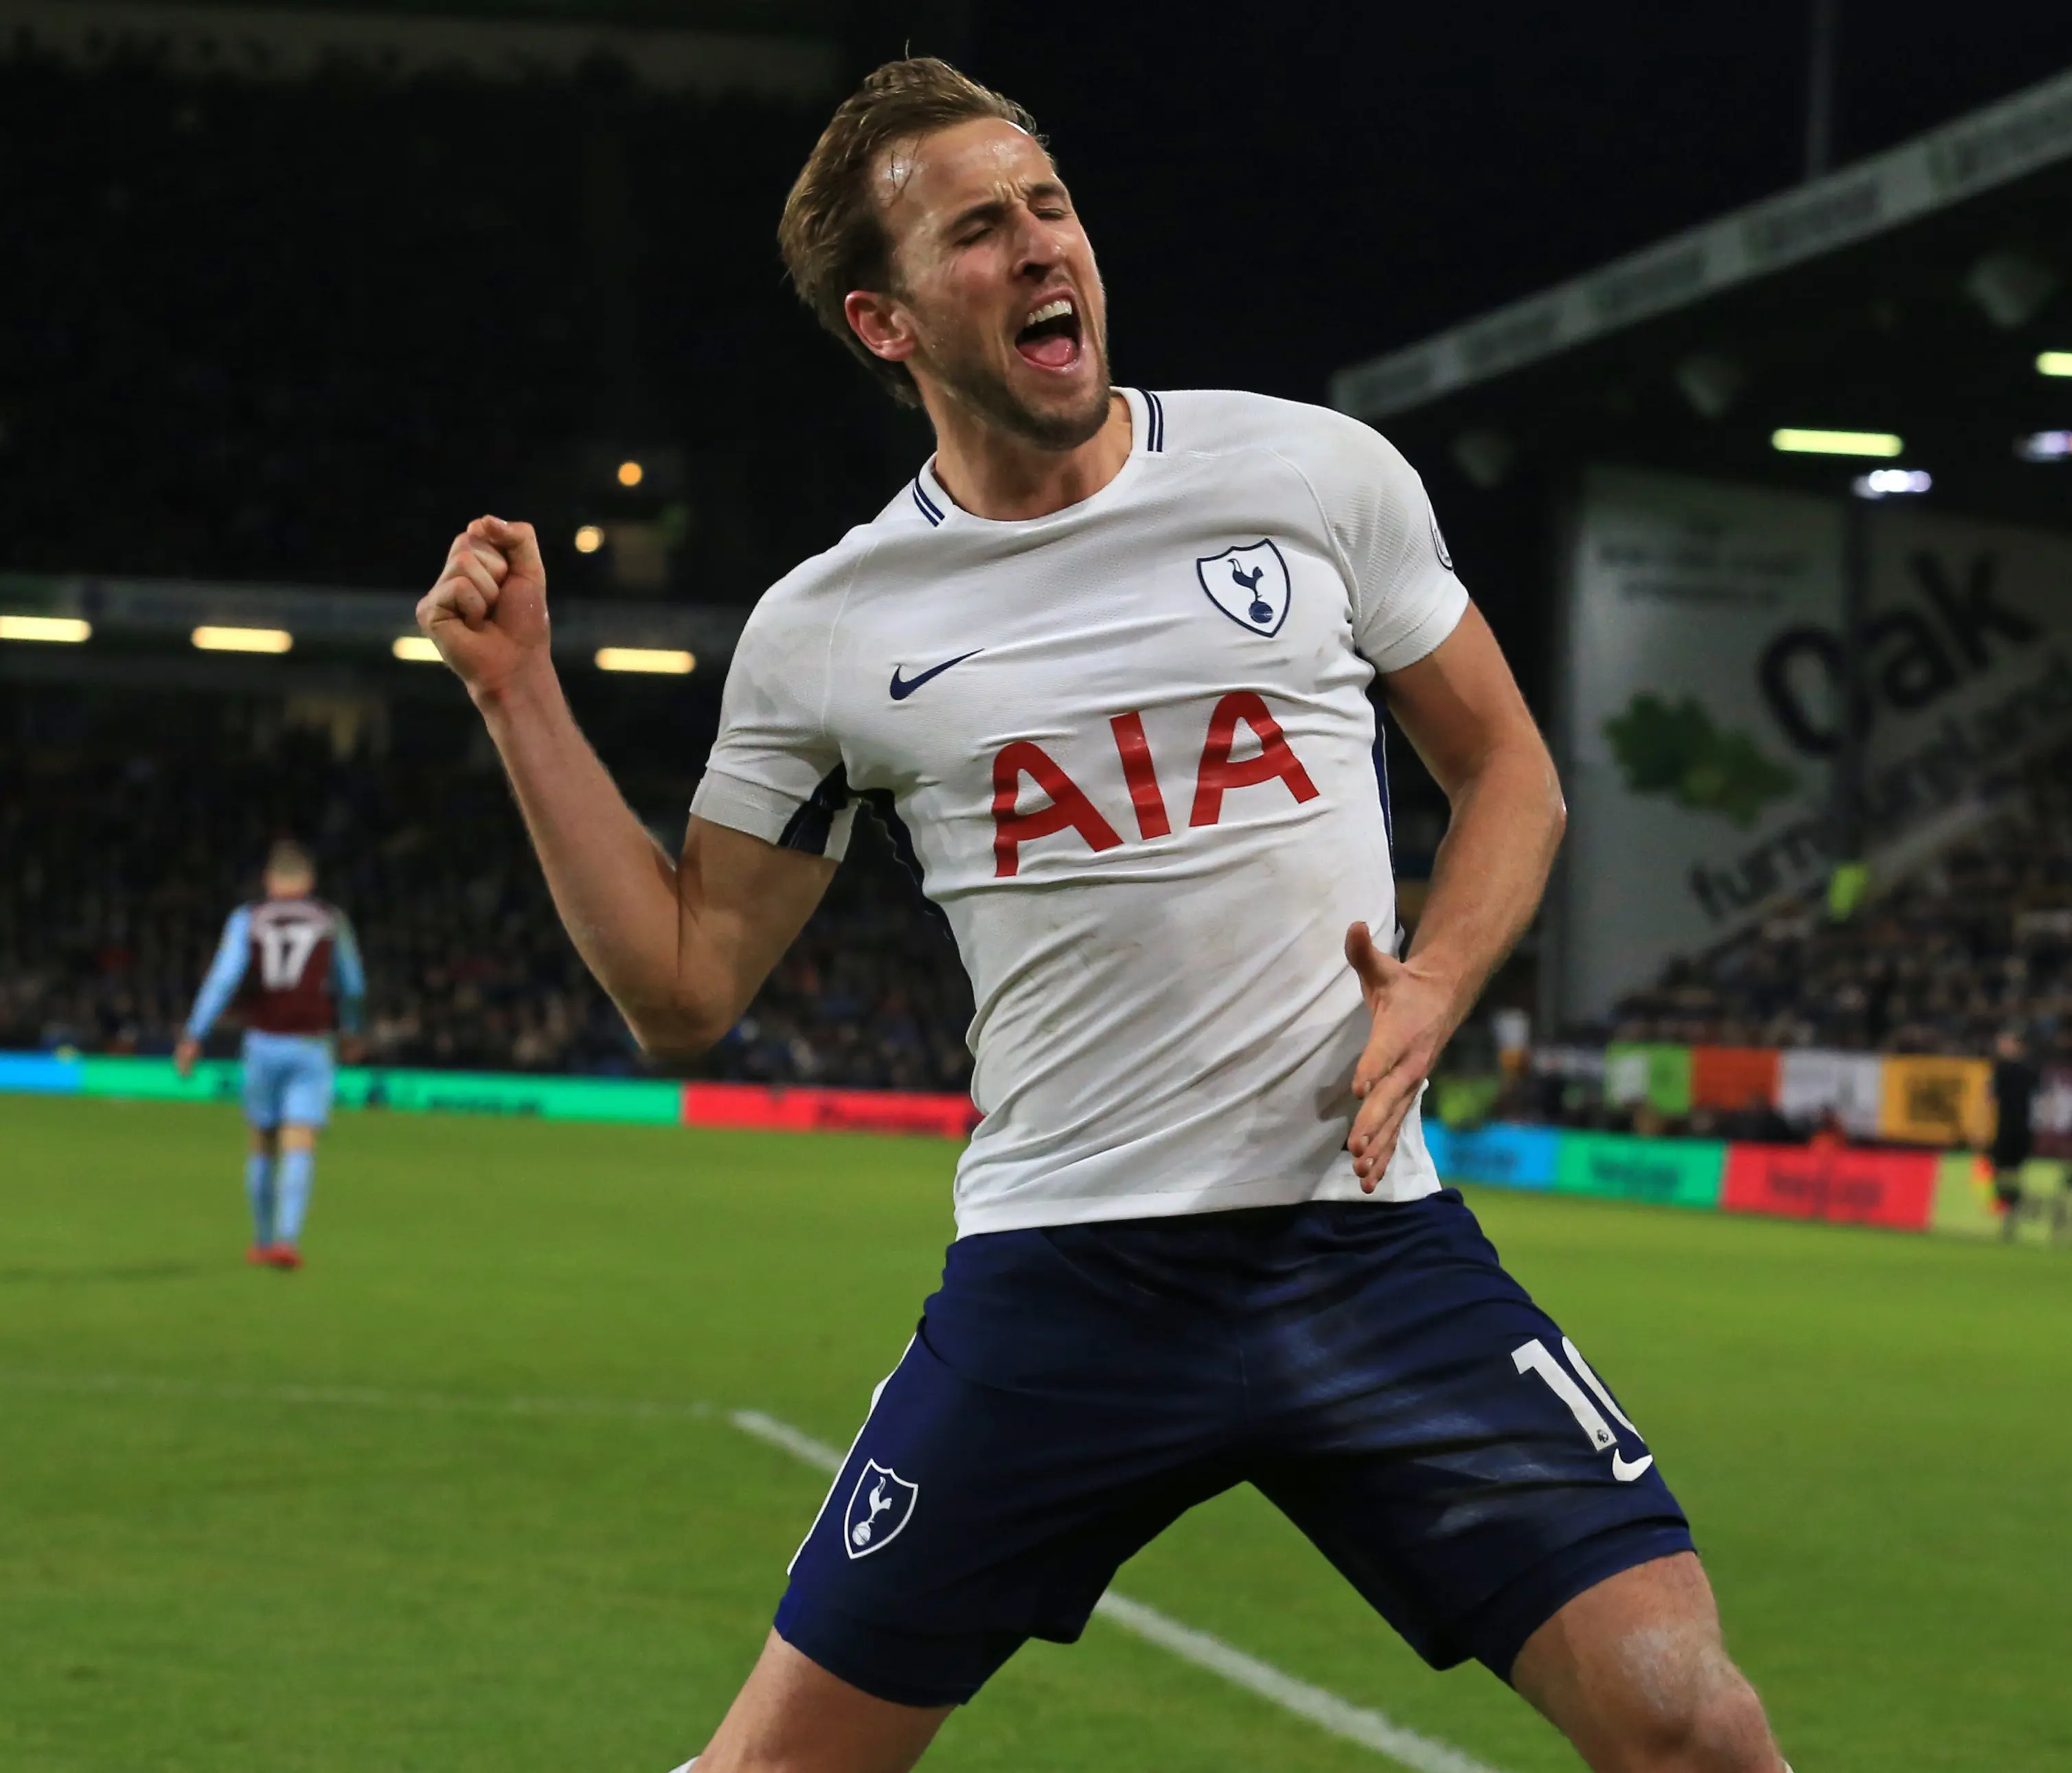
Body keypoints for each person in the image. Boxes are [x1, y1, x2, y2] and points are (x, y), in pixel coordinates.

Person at [413, 60, 1783, 1773]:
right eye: (975, 231)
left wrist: (1436, 978)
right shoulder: (829, 626)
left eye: (1046, 205)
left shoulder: (1314, 473)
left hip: (1362, 1242)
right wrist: (522, 693)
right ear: (885, 320)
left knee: (1688, 1723)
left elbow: (1509, 766)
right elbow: (686, 985)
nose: (1039, 246)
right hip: (1066, 1281)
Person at [174, 840, 367, 1268]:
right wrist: (352, 1030)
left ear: (269, 881)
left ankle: (261, 1241)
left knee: (262, 1140)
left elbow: (224, 979)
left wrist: (193, 1035)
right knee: (301, 1139)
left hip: (263, 1042)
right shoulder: (330, 920)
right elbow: (351, 984)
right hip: (312, 1044)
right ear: (309, 882)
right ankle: (287, 1240)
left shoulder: (249, 918)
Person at [1986, 1029, 2037, 1237]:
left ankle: (2008, 1212)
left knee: (2007, 1172)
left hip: (2011, 1130)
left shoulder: (2005, 1071)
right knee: (2008, 1173)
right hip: (2015, 1129)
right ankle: (2009, 1212)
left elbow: (1990, 1097)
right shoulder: (2029, 1071)